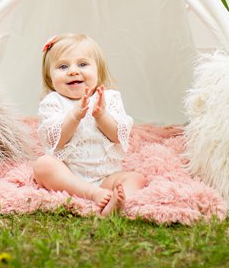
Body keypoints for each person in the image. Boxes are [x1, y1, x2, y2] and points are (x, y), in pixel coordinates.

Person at [32, 33, 147, 216]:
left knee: (136, 178)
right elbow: (57, 141)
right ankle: (92, 194)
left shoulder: (109, 98)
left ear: (98, 71)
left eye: (83, 64)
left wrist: (101, 115)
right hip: (69, 176)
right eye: (62, 66)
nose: (73, 71)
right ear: (50, 77)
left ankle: (117, 204)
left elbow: (118, 135)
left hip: (106, 176)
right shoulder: (52, 102)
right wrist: (74, 116)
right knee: (43, 165)